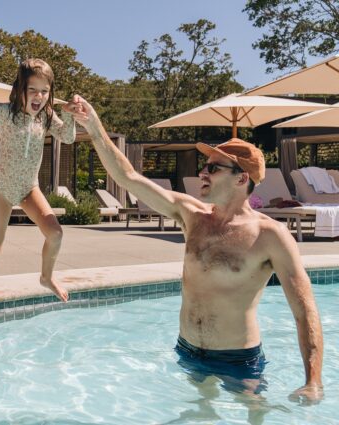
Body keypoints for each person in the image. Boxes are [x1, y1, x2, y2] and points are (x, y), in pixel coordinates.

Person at [71, 98, 324, 406]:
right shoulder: (191, 214)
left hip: (239, 361)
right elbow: (128, 178)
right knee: (200, 412)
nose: (203, 173)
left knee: (255, 415)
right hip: (187, 350)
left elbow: (304, 311)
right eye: (205, 166)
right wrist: (94, 127)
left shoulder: (270, 236)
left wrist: (312, 381)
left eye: (213, 168)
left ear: (242, 178)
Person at [0, 58, 80, 303]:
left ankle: (46, 277)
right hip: (4, 189)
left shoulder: (46, 118)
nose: (38, 96)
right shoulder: (7, 114)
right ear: (21, 89)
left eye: (44, 91)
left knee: (56, 234)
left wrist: (69, 115)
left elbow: (69, 137)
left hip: (29, 188)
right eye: (32, 90)